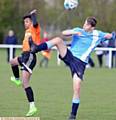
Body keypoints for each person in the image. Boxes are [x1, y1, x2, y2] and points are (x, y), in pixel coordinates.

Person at [29, 17, 115, 120]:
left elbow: (110, 36)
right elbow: (64, 33)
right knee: (58, 40)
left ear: (92, 27)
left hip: (80, 63)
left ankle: (73, 115)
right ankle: (36, 48)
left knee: (77, 87)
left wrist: (112, 36)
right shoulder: (79, 30)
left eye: (87, 25)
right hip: (70, 56)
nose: (84, 26)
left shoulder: (98, 34)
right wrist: (73, 32)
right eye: (85, 23)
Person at [9, 9, 41, 117]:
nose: (25, 23)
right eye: (24, 22)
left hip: (30, 56)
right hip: (24, 55)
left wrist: (33, 15)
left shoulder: (34, 28)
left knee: (25, 83)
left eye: (27, 21)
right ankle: (17, 80)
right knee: (12, 62)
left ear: (31, 22)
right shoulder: (27, 31)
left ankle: (32, 107)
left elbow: (36, 23)